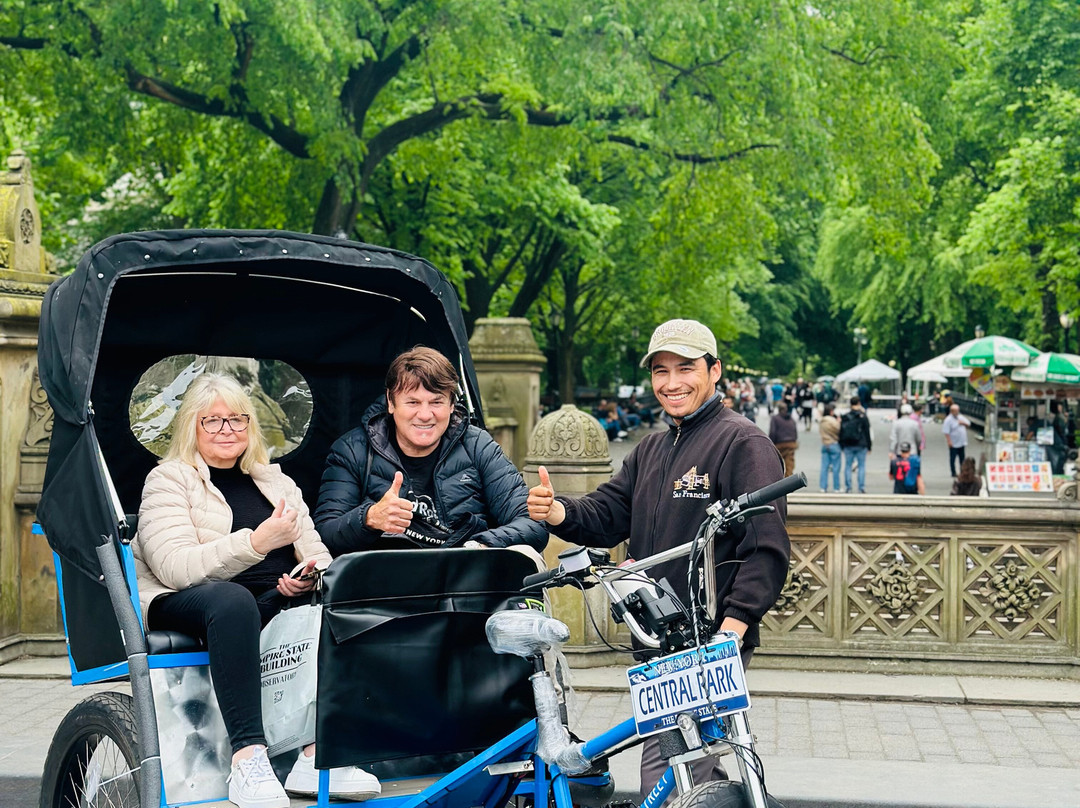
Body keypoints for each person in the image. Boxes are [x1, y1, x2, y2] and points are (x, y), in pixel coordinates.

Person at [523, 318, 790, 801]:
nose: (671, 383)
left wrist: (733, 630)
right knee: (680, 767)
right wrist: (559, 509)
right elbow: (608, 513)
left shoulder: (742, 443)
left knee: (674, 771)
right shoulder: (651, 446)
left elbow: (766, 549)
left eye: (685, 368)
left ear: (715, 371)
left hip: (707, 639)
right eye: (660, 371)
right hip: (655, 639)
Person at [134, 373, 379, 808]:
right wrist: (257, 542)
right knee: (232, 600)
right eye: (213, 421)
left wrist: (309, 575)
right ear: (192, 427)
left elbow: (317, 552)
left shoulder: (276, 481)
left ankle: (316, 755)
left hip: (272, 598)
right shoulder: (170, 480)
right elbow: (175, 567)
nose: (227, 430)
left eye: (237, 419)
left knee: (344, 594)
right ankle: (248, 759)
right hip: (193, 599)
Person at [314, 346, 547, 555]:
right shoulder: (352, 451)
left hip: (465, 580)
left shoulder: (478, 445)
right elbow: (325, 534)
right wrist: (369, 518)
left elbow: (533, 524)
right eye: (413, 402)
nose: (425, 415)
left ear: (452, 404)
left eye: (436, 402)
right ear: (391, 403)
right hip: (382, 582)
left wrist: (480, 546)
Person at [839, 396, 873, 493]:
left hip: (848, 444)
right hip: (861, 444)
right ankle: (861, 487)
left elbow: (841, 431)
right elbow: (867, 432)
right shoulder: (863, 416)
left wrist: (841, 444)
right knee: (861, 466)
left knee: (848, 465)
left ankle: (848, 487)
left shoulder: (845, 416)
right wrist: (869, 446)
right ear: (859, 403)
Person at [769, 402, 799, 477]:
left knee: (776, 462)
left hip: (780, 444)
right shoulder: (791, 419)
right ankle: (788, 479)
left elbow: (772, 432)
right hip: (791, 443)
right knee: (789, 464)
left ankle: (775, 478)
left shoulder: (775, 418)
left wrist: (771, 443)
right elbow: (795, 431)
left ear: (778, 409)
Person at [942, 404, 972, 478]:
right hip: (954, 442)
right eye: (956, 411)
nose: (957, 412)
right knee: (953, 458)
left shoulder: (960, 417)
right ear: (952, 411)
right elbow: (946, 432)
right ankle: (953, 472)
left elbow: (969, 424)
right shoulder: (948, 420)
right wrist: (949, 441)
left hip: (962, 441)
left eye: (958, 410)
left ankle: (962, 471)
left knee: (962, 458)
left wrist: (962, 423)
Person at [819, 402, 841, 492]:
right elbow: (838, 430)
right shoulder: (833, 421)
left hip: (825, 444)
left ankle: (823, 487)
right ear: (831, 411)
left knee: (824, 467)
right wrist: (839, 421)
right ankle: (836, 487)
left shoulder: (822, 421)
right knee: (836, 467)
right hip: (833, 443)